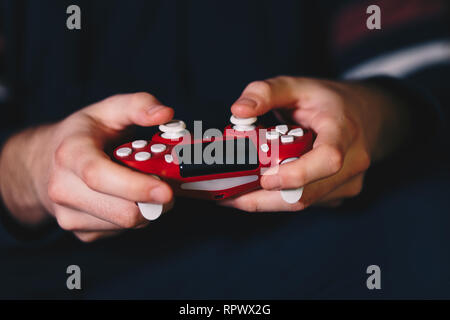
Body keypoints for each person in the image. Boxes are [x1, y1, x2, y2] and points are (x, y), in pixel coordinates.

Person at [0, 0, 449, 298]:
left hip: (326, 244)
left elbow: (426, 62)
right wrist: (36, 165)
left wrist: (371, 114)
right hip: (69, 273)